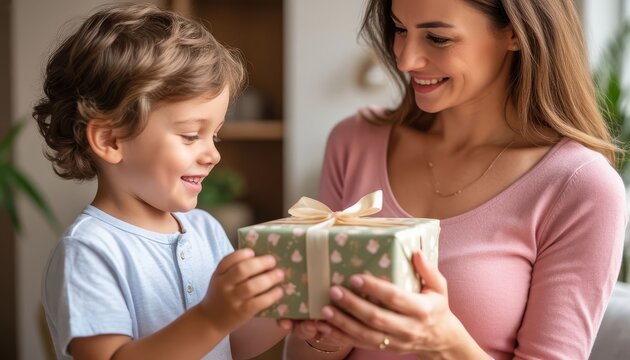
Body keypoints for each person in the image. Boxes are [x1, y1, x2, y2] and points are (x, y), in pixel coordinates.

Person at [280, 0, 627, 359]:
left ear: (514, 32)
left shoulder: (580, 187)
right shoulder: (353, 142)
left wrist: (442, 343)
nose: (405, 60)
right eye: (400, 30)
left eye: (437, 38)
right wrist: (327, 339)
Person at [35, 4, 287, 359]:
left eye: (214, 135)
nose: (212, 154)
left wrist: (291, 310)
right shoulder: (89, 251)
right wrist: (212, 318)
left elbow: (235, 342)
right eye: (189, 135)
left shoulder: (206, 230)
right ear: (111, 141)